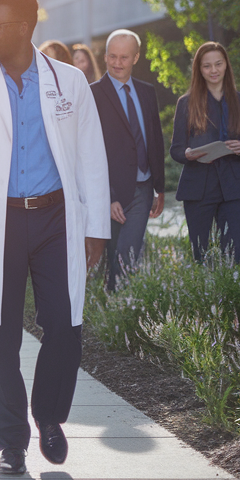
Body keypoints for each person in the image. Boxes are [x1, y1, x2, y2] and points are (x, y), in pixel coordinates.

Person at [0, 0, 109, 477]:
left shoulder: (69, 81)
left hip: (58, 219)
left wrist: (94, 225)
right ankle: (12, 441)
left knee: (64, 325)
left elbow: (90, 155)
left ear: (24, 28)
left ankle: (50, 417)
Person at [170, 42, 240, 265]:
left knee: (232, 254)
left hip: (235, 187)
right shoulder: (186, 103)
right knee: (201, 254)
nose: (213, 70)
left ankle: (230, 298)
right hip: (199, 186)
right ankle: (205, 299)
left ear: (226, 65)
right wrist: (188, 153)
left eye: (218, 64)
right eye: (207, 66)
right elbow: (176, 150)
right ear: (199, 70)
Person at [91, 30, 166, 292]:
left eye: (124, 57)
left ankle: (118, 306)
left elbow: (154, 140)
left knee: (127, 251)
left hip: (143, 189)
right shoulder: (93, 95)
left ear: (136, 57)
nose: (117, 63)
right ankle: (114, 309)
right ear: (105, 56)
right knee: (112, 253)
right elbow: (91, 151)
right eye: (112, 56)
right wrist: (108, 196)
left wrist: (160, 188)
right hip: (111, 189)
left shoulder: (146, 92)